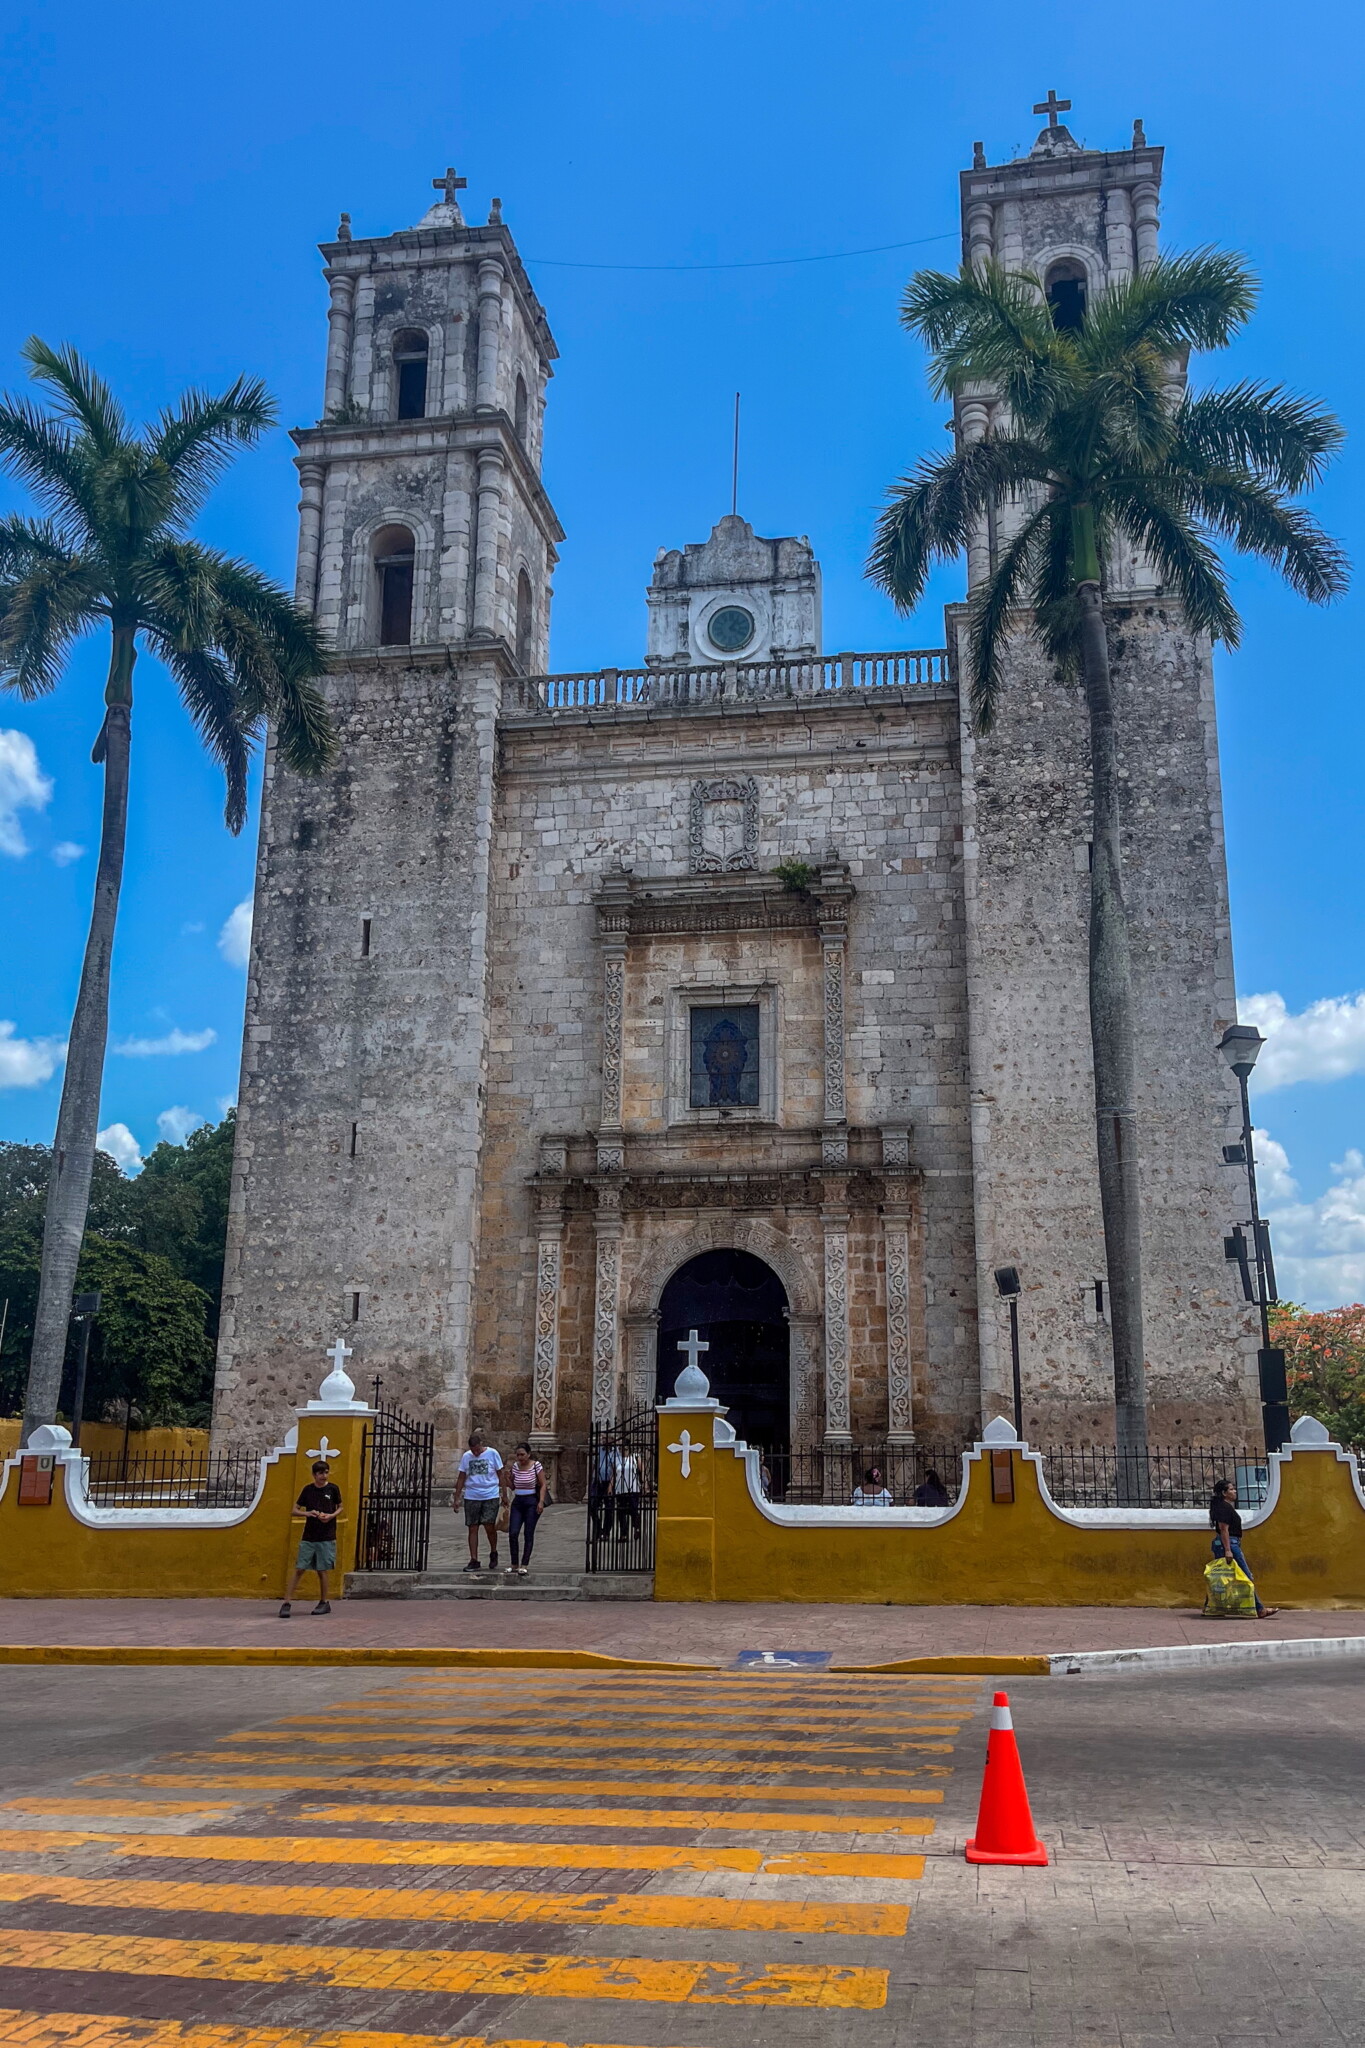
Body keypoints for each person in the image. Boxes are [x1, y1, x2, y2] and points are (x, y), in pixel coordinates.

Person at [279, 1458, 341, 1616]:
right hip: (309, 1535)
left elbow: (340, 1507)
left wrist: (331, 1516)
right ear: (314, 1475)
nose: (324, 1476)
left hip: (326, 1535)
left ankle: (324, 1602)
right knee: (300, 1568)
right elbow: (294, 1510)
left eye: (326, 1472)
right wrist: (308, 1513)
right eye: (321, 1473)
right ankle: (286, 1602)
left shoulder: (333, 1489)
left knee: (322, 1570)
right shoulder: (308, 1490)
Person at [1209, 1477, 1277, 1618]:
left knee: (1221, 1577)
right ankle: (1260, 1609)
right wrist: (1228, 1550)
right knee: (1246, 1576)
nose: (1235, 1491)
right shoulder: (1224, 1508)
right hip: (1229, 1544)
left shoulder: (1224, 1506)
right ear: (1224, 1493)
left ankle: (1210, 1607)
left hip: (1226, 1544)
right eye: (1231, 1489)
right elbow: (1223, 1529)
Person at [453, 1428, 504, 1572]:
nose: (475, 1453)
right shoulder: (466, 1457)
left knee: (489, 1525)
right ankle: (474, 1559)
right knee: (472, 1527)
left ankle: (493, 1551)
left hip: (490, 1494)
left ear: (481, 1445)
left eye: (477, 1450)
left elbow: (500, 1474)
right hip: (472, 1495)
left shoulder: (492, 1453)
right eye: (473, 1451)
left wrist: (504, 1494)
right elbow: (461, 1477)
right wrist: (457, 1497)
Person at [505, 1442, 547, 1577]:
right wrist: (507, 1479)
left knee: (528, 1533)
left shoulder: (536, 1466)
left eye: (522, 1455)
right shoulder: (515, 1467)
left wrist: (540, 1501)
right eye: (518, 1455)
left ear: (528, 1454)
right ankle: (514, 1563)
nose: (520, 1458)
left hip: (531, 1501)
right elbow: (512, 1486)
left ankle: (524, 1564)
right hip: (518, 1501)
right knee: (513, 1532)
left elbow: (543, 1484)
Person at [613, 1443, 643, 1540]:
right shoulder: (617, 1459)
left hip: (633, 1488)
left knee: (633, 1510)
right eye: (620, 1449)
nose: (623, 1451)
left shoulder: (635, 1457)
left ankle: (637, 1528)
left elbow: (642, 1470)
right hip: (620, 1489)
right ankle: (624, 1533)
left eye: (625, 1449)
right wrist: (610, 1486)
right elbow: (614, 1474)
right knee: (621, 1512)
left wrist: (645, 1482)